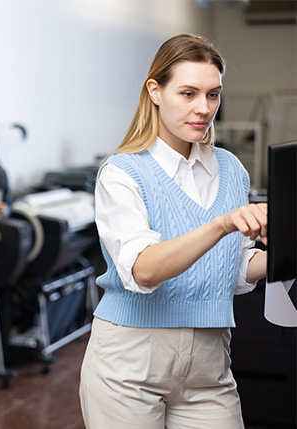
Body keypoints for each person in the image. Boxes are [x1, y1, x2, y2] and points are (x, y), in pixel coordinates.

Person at [79, 34, 267, 429]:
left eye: (213, 95)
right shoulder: (122, 172)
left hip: (209, 364)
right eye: (188, 93)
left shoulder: (232, 169)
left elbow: (231, 270)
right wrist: (221, 224)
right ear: (155, 91)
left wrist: (284, 255)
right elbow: (143, 269)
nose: (204, 108)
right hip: (130, 364)